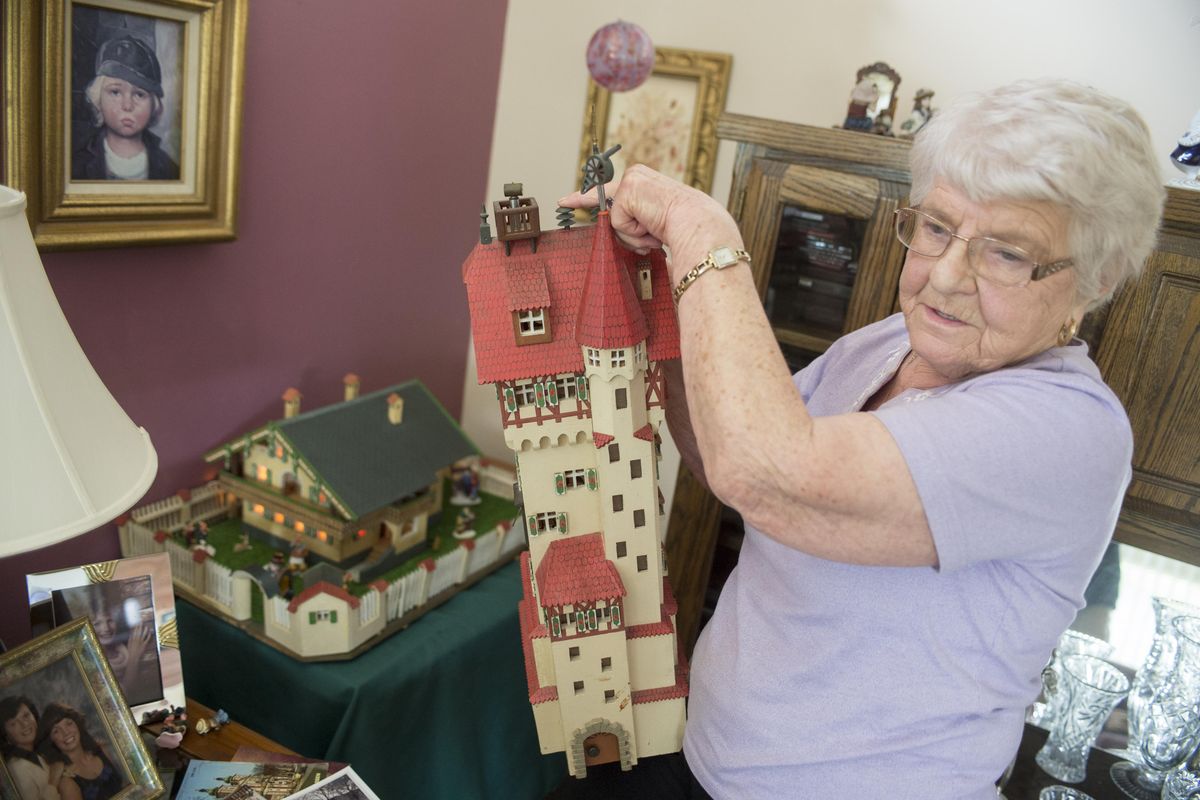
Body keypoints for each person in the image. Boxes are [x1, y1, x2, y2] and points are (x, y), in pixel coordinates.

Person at [555, 79, 1165, 798]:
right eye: (936, 228)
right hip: (701, 752)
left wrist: (702, 235)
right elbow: (735, 465)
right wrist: (659, 292)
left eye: (1005, 254)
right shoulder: (885, 345)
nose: (945, 277)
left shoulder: (1068, 429)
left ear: (1098, 278)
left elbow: (773, 476)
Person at [72, 35, 179, 181]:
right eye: (115, 92)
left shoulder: (169, 168)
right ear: (97, 99)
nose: (127, 106)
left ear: (154, 104)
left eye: (139, 95)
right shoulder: (77, 166)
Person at [37, 704, 124, 800]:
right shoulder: (66, 783)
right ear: (51, 741)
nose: (66, 732)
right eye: (56, 731)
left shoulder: (102, 751)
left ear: (77, 724)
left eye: (68, 723)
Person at [1, 696, 65, 800]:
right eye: (13, 723)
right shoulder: (16, 769)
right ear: (5, 735)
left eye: (26, 715)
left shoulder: (37, 755)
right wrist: (53, 781)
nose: (24, 724)